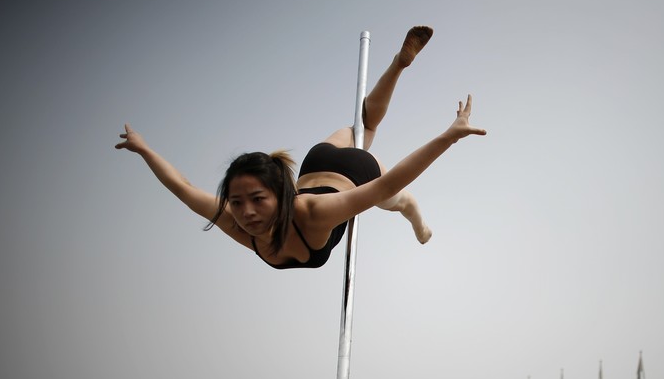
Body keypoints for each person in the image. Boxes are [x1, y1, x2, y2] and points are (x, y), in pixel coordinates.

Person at [115, 26, 486, 269]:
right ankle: (398, 65)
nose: (245, 212)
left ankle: (419, 222)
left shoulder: (314, 214)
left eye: (257, 199)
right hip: (316, 162)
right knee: (366, 124)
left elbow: (385, 186)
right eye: (237, 201)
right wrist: (146, 150)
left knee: (399, 200)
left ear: (281, 193)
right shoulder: (234, 219)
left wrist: (448, 136)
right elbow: (183, 187)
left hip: (353, 173)